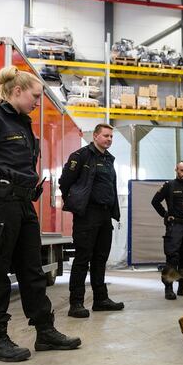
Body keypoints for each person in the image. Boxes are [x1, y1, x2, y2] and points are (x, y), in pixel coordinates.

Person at [0, 66, 81, 362]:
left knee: (32, 270)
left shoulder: (23, 123)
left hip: (23, 204)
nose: (38, 102)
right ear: (17, 91)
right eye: (35, 96)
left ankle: (45, 331)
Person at [59, 123, 124, 318]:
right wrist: (77, 202)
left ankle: (100, 300)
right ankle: (76, 303)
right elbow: (65, 182)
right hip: (87, 215)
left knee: (100, 259)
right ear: (95, 136)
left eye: (111, 137)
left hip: (105, 215)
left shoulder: (108, 159)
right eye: (106, 136)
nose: (109, 139)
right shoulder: (81, 156)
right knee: (82, 259)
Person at [151, 161, 183, 300]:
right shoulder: (169, 185)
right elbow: (155, 201)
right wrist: (165, 214)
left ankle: (182, 288)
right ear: (176, 170)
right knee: (172, 258)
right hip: (175, 227)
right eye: (182, 170)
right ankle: (168, 288)